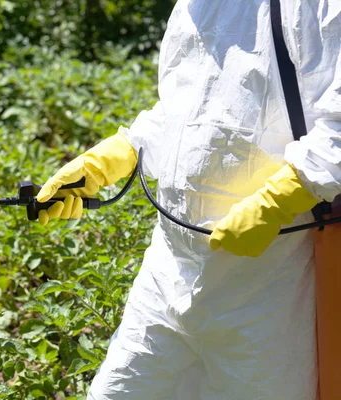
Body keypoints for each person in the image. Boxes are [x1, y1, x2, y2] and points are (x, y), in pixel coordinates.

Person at [37, 1, 341, 399]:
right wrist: (117, 154)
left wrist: (280, 198)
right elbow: (185, 107)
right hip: (169, 269)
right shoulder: (194, 5)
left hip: (270, 283)